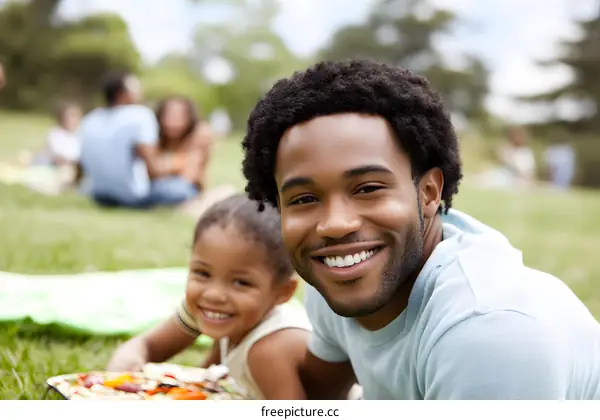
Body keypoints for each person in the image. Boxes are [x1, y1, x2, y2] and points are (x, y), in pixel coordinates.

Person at [240, 59, 600, 399]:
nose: (334, 225)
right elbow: (317, 400)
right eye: (304, 199)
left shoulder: (489, 332)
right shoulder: (336, 274)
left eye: (367, 189)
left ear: (428, 193)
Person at [106, 194, 312, 400]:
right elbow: (147, 346)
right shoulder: (216, 313)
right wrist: (124, 369)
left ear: (283, 292)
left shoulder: (269, 349)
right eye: (203, 274)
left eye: (241, 282)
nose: (214, 295)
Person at [78, 70, 200, 208]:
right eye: (136, 88)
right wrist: (179, 163)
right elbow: (154, 170)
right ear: (122, 94)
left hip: (99, 196)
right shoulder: (140, 115)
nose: (141, 92)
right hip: (131, 197)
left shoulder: (90, 119)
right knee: (185, 189)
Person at [155, 96, 214, 192]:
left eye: (179, 116)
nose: (173, 121)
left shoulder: (200, 133)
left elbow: (189, 176)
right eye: (168, 115)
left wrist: (166, 164)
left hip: (189, 190)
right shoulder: (155, 134)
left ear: (189, 117)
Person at [33, 101, 83, 167]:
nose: (73, 120)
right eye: (70, 117)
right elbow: (59, 157)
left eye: (76, 117)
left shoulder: (81, 135)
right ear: (62, 118)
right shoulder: (55, 134)